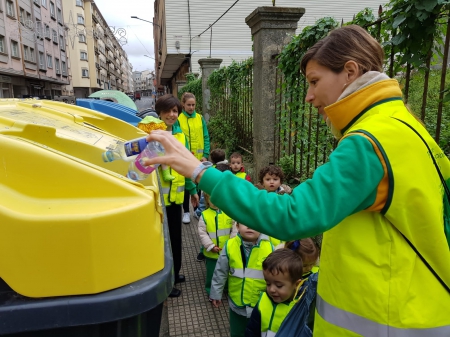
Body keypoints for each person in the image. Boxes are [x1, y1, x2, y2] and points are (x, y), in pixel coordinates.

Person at [144, 25, 450, 335]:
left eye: (315, 82)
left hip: (389, 321)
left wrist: (200, 172)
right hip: (418, 308)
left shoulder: (369, 142)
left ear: (350, 72)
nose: (309, 96)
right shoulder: (406, 126)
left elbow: (291, 214)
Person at [154, 94, 199, 298]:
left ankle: (175, 272)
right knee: (163, 241)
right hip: (158, 200)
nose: (171, 115)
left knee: (175, 237)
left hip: (176, 198)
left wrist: (192, 191)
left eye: (175, 111)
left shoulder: (181, 137)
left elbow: (187, 166)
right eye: (168, 111)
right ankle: (166, 281)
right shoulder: (152, 134)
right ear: (159, 112)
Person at [210, 223, 273, 337]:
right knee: (237, 333)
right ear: (237, 226)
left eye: (253, 222)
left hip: (259, 305)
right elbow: (220, 271)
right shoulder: (229, 245)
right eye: (245, 222)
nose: (249, 226)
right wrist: (216, 293)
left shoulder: (270, 247)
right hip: (236, 304)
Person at [245, 249, 315, 337]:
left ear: (296, 284)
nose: (271, 289)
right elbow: (252, 331)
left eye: (279, 286)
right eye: (268, 283)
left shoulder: (301, 308)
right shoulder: (263, 301)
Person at [198, 164, 237, 295]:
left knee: (226, 270)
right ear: (207, 201)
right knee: (212, 272)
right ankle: (211, 290)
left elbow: (234, 228)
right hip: (212, 252)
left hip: (227, 249)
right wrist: (209, 246)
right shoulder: (204, 215)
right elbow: (202, 233)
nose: (214, 202)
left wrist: (231, 243)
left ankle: (225, 288)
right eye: (211, 199)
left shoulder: (228, 212)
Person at [177, 92, 210, 225]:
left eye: (193, 105)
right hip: (186, 158)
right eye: (189, 105)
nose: (191, 107)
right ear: (183, 104)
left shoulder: (200, 118)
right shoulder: (178, 119)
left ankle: (197, 210)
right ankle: (186, 211)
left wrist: (205, 154)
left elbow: (206, 136)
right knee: (186, 185)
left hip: (199, 160)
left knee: (199, 185)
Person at [195, 149, 229, 263]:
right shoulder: (224, 172)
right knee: (209, 229)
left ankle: (203, 250)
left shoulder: (216, 172)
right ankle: (203, 249)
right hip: (212, 208)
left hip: (223, 207)